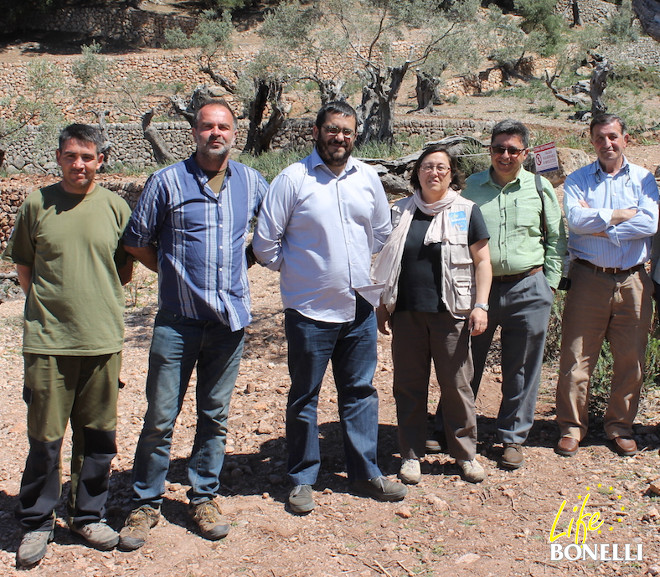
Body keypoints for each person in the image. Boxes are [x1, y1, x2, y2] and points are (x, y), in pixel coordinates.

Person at [118, 99, 267, 549]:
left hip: (228, 324)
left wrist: (241, 265)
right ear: (194, 132)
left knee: (214, 416)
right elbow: (138, 242)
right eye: (207, 126)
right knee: (161, 418)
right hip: (176, 324)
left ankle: (204, 496)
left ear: (235, 135)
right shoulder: (165, 182)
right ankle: (145, 503)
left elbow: (272, 233)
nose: (215, 133)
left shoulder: (252, 182)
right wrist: (172, 270)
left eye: (223, 127)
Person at [253, 101, 407, 515]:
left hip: (359, 304)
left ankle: (366, 472)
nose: (340, 137)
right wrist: (304, 272)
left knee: (360, 392)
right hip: (309, 309)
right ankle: (303, 478)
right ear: (317, 131)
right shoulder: (292, 179)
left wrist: (351, 266)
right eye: (332, 129)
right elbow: (265, 244)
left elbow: (380, 233)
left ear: (355, 136)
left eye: (347, 131)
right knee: (305, 396)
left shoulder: (368, 178)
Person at [3, 124, 133, 567]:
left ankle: (86, 514)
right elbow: (24, 267)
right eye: (71, 156)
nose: (79, 165)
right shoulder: (36, 204)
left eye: (88, 157)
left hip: (102, 340)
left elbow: (122, 269)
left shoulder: (116, 207)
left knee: (98, 437)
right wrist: (50, 312)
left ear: (101, 160)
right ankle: (38, 520)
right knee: (45, 436)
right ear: (58, 157)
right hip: (49, 342)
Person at [372, 144, 492, 485]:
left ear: (451, 173)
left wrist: (480, 306)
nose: (434, 172)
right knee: (408, 387)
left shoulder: (467, 211)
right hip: (407, 313)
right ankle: (410, 455)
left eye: (441, 167)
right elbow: (386, 262)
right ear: (417, 172)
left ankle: (465, 454)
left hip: (451, 314)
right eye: (427, 166)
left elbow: (483, 262)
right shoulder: (400, 211)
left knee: (457, 387)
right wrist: (382, 305)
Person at [456, 119, 566, 470]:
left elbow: (556, 236)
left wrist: (548, 283)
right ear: (490, 150)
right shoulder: (472, 186)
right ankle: (457, 428)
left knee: (521, 367)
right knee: (464, 361)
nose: (505, 156)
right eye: (498, 148)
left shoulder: (539, 186)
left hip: (528, 286)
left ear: (525, 153)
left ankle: (512, 437)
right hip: (479, 290)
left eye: (513, 150)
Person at [555, 113, 659, 458]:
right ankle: (571, 427)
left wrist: (599, 222)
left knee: (630, 358)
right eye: (600, 138)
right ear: (592, 141)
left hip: (633, 279)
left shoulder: (644, 179)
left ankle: (620, 426)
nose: (607, 144)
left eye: (613, 137)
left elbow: (649, 223)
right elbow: (575, 219)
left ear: (625, 139)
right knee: (576, 356)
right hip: (589, 277)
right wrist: (620, 214)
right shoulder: (578, 179)